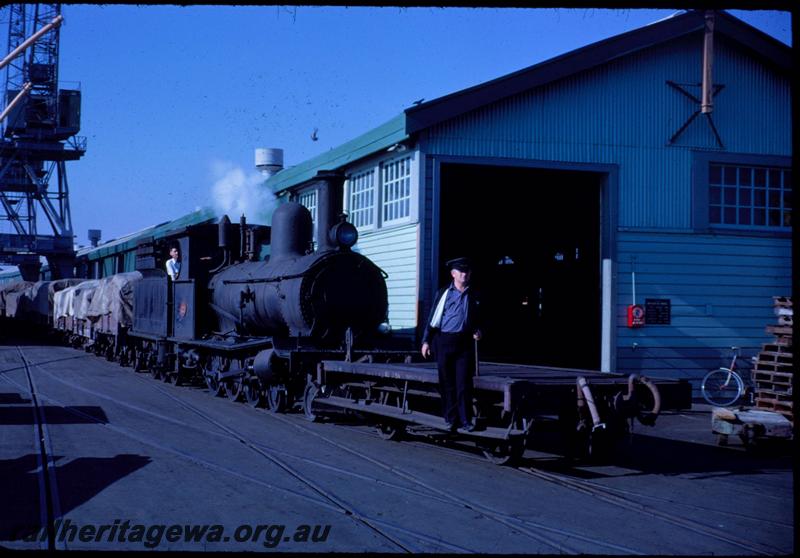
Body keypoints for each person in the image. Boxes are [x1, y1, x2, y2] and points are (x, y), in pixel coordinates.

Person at [421, 257, 482, 433]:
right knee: (447, 382)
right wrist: (426, 341)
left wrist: (479, 330)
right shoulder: (443, 293)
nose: (464, 274)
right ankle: (450, 418)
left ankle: (465, 420)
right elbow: (433, 318)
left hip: (464, 343)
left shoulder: (474, 294)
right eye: (461, 271)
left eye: (467, 271)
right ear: (453, 274)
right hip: (444, 341)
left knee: (463, 383)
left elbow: (480, 317)